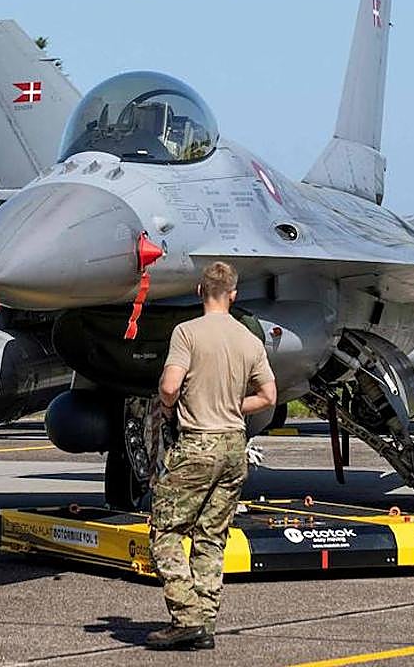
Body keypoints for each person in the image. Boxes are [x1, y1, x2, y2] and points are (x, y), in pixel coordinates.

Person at [144, 261, 277, 651]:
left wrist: (170, 406)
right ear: (233, 295)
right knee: (212, 537)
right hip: (234, 445)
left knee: (166, 532)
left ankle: (187, 617)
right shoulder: (249, 340)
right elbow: (268, 396)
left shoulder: (187, 333)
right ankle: (205, 620)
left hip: (196, 444)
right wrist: (234, 404)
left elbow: (169, 386)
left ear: (200, 291)